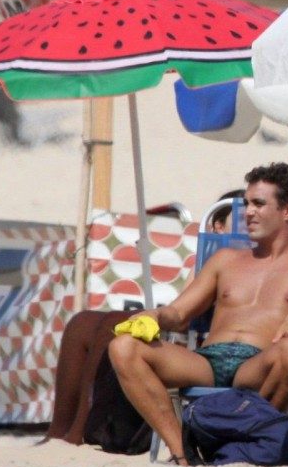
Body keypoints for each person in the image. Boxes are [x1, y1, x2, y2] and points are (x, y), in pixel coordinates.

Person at [108, 163, 288, 466]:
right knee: (123, 347)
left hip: (259, 362)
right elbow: (179, 313)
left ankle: (257, 441)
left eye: (259, 203)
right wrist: (154, 315)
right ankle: (182, 453)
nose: (248, 212)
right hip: (207, 361)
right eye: (246, 204)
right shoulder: (225, 258)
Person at [42, 188, 246, 446]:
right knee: (81, 323)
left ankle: (78, 433)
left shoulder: (253, 263)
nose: (248, 227)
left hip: (200, 346)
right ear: (217, 226)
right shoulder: (211, 259)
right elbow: (182, 309)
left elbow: (188, 319)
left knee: (112, 323)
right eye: (240, 220)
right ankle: (57, 431)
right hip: (180, 327)